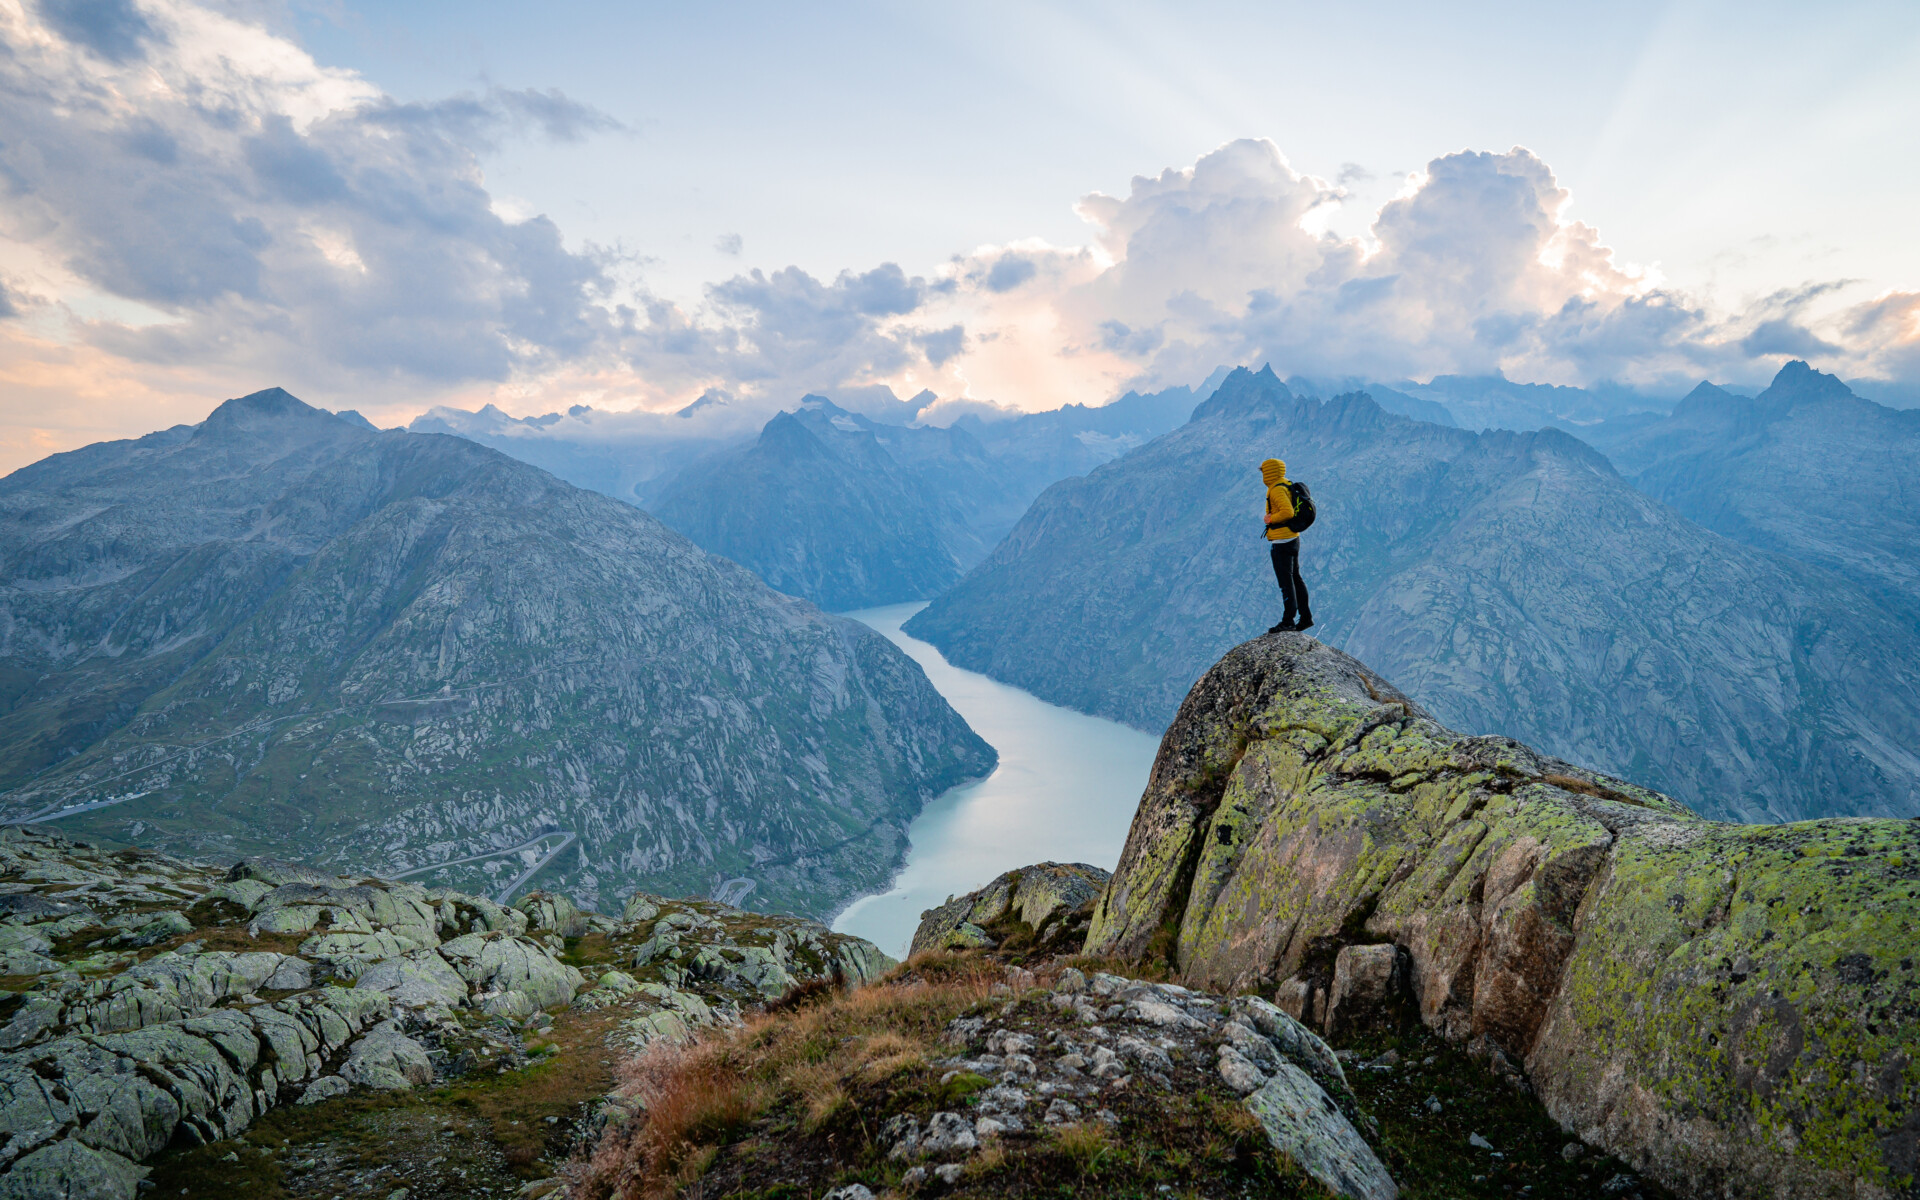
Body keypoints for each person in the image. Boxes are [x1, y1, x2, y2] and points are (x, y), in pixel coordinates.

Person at [1261, 458, 1313, 634]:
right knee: (1296, 578)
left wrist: (1270, 519)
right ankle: (1305, 618)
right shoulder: (1286, 484)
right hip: (1292, 539)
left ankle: (1288, 621)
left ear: (1269, 472)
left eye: (1263, 471)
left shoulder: (1276, 489)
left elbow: (1287, 512)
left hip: (1282, 541)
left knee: (1286, 582)